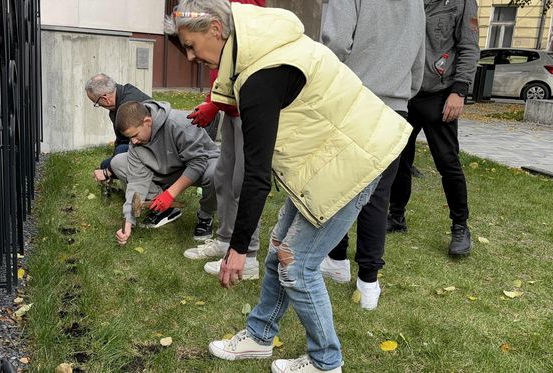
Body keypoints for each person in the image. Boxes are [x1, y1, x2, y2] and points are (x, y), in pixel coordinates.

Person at [165, 2, 412, 372]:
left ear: (215, 29)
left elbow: (257, 175)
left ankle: (326, 362)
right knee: (279, 249)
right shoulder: (259, 48)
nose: (190, 56)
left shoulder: (262, 73)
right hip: (326, 159)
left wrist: (237, 248)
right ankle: (260, 336)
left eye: (190, 44)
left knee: (296, 264)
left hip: (355, 161)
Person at [319, 0, 425, 310]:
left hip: (355, 98)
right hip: (397, 106)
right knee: (378, 195)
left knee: (338, 186)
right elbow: (419, 57)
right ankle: (368, 281)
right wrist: (403, 89)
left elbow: (334, 41)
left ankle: (337, 260)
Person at [388, 0, 479, 257]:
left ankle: (460, 226)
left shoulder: (461, 2)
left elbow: (469, 46)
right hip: (405, 91)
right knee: (398, 158)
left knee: (448, 163)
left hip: (440, 95)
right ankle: (396, 217)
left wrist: (459, 91)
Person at [183, 0, 266, 281]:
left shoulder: (243, 6)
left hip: (248, 106)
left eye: (191, 47)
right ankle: (225, 240)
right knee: (224, 176)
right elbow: (221, 68)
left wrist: (213, 103)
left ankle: (249, 256)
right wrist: (214, 103)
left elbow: (240, 58)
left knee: (245, 181)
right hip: (229, 105)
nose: (190, 57)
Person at [113, 100, 220, 245]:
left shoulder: (179, 123)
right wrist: (128, 221)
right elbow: (137, 181)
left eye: (135, 135)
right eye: (130, 137)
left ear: (147, 121)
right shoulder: (136, 142)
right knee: (119, 162)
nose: (133, 142)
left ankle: (205, 215)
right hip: (167, 169)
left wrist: (170, 194)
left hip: (201, 164)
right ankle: (165, 208)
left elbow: (197, 163)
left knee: (216, 173)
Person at [84, 73, 151, 183]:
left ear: (105, 99)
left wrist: (108, 170)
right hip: (140, 145)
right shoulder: (121, 96)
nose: (99, 105)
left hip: (152, 149)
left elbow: (135, 142)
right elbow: (122, 139)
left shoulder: (127, 107)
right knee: (110, 161)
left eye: (96, 103)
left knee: (112, 161)